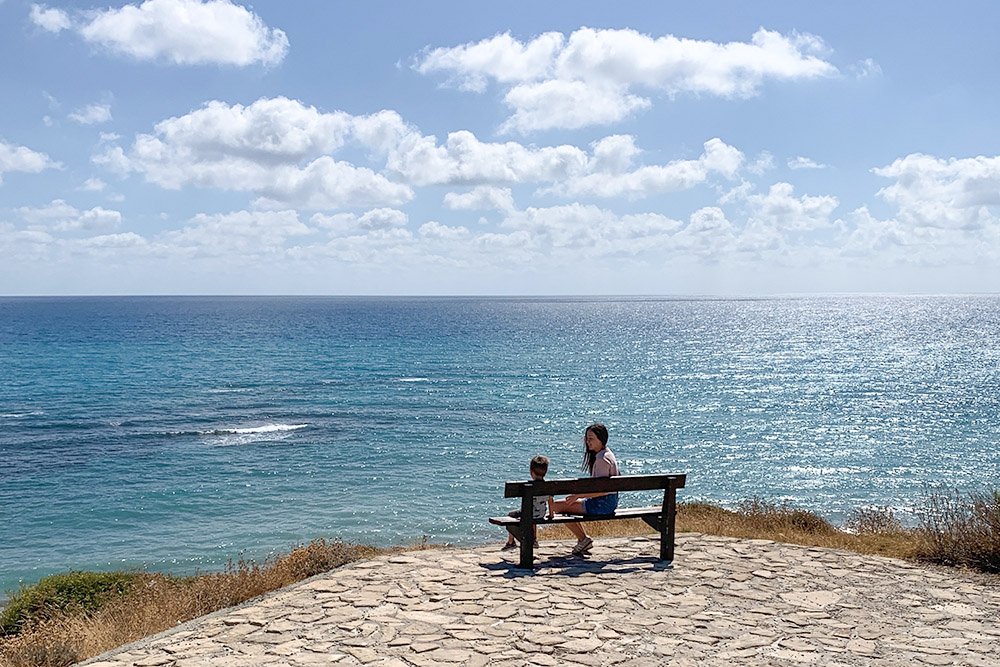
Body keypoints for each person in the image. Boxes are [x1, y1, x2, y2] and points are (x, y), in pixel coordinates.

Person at [550, 423, 619, 555]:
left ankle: (583, 539)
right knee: (565, 505)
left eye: (591, 439)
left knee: (555, 507)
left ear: (601, 439)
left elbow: (603, 491)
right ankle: (583, 539)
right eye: (587, 438)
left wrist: (578, 495)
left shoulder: (602, 460)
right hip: (608, 502)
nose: (588, 442)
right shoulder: (608, 454)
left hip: (601, 504)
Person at [501, 455, 555, 551]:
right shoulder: (548, 486)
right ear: (545, 472)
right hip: (541, 514)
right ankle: (534, 539)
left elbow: (527, 506)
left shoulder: (529, 486)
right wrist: (551, 515)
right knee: (533, 518)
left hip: (529, 514)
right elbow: (551, 501)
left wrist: (524, 516)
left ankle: (511, 542)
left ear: (531, 472)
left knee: (511, 515)